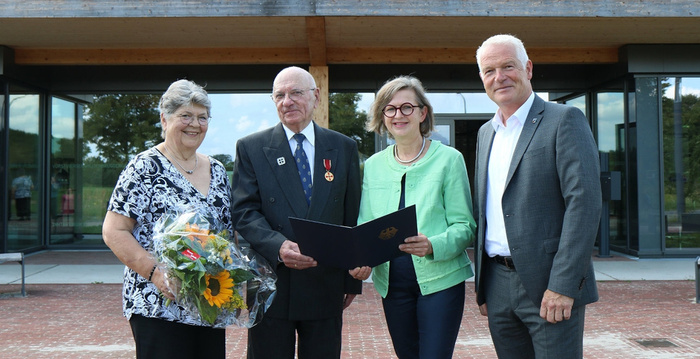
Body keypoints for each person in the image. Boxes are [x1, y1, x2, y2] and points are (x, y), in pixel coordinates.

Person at [472, 34, 602, 359]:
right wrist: (484, 287)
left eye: (508, 66)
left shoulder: (564, 120)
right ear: (482, 79)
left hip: (549, 285)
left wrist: (563, 284)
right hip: (497, 284)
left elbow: (583, 205)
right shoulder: (486, 133)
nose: (499, 77)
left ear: (528, 68)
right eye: (489, 70)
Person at [231, 66, 362, 358]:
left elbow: (350, 216)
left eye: (296, 93)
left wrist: (351, 279)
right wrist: (279, 246)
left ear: (316, 97)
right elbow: (244, 212)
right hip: (271, 283)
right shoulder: (251, 148)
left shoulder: (344, 147)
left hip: (325, 284)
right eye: (279, 95)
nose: (287, 101)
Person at [103, 79, 230, 359]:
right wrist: (157, 274)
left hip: (208, 304)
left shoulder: (218, 170)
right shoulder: (144, 167)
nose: (194, 124)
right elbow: (114, 231)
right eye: (185, 115)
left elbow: (226, 235)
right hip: (159, 305)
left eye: (202, 117)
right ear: (164, 118)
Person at [352, 75, 476, 358]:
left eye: (407, 107)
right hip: (392, 285)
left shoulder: (449, 159)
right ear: (383, 116)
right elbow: (365, 225)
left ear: (423, 113)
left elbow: (465, 226)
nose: (399, 115)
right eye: (390, 108)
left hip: (441, 280)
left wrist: (433, 244)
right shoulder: (373, 165)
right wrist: (361, 259)